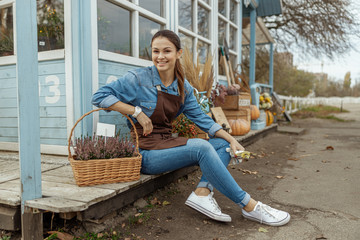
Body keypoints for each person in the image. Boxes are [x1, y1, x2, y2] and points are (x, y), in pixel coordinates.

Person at [92, 29, 290, 226]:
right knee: (201, 147)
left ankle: (202, 192)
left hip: (167, 144)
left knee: (221, 144)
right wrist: (136, 112)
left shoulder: (182, 87)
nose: (160, 57)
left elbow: (203, 120)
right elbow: (99, 97)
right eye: (155, 51)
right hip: (146, 154)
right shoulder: (138, 78)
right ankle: (250, 206)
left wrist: (232, 140)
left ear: (179, 53)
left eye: (166, 51)